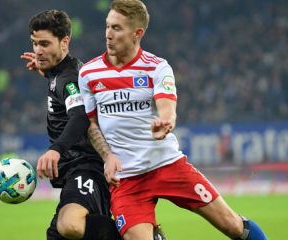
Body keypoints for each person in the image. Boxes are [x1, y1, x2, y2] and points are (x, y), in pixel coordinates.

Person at [78, 0, 269, 239]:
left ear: (138, 33)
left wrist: (165, 121)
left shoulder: (157, 68)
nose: (108, 34)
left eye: (117, 28)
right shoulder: (88, 73)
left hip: (167, 166)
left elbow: (167, 106)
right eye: (107, 26)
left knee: (231, 225)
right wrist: (107, 157)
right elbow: (91, 123)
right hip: (126, 181)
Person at [20, 10, 122, 240]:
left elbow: (80, 116)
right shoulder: (60, 74)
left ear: (65, 42)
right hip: (75, 170)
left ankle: (141, 236)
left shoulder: (69, 77)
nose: (38, 50)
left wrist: (56, 149)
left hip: (86, 167)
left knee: (70, 225)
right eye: (35, 43)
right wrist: (46, 73)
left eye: (45, 43)